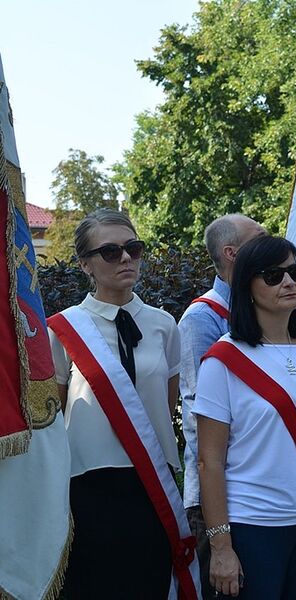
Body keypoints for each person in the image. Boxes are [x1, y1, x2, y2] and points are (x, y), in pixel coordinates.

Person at [194, 235, 296, 598]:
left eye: (295, 272)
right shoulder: (222, 361)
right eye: (273, 275)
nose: (288, 282)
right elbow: (210, 462)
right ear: (247, 286)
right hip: (253, 527)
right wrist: (221, 547)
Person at [47, 209, 199, 598]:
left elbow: (165, 408)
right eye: (111, 252)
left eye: (133, 248)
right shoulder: (62, 328)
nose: (126, 258)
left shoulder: (164, 324)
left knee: (148, 583)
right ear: (86, 264)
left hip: (151, 481)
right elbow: (54, 415)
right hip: (87, 484)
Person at [178, 213, 265, 598]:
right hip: (220, 492)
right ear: (232, 253)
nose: (271, 246)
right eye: (260, 239)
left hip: (262, 486)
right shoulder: (202, 319)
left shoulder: (268, 310)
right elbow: (200, 417)